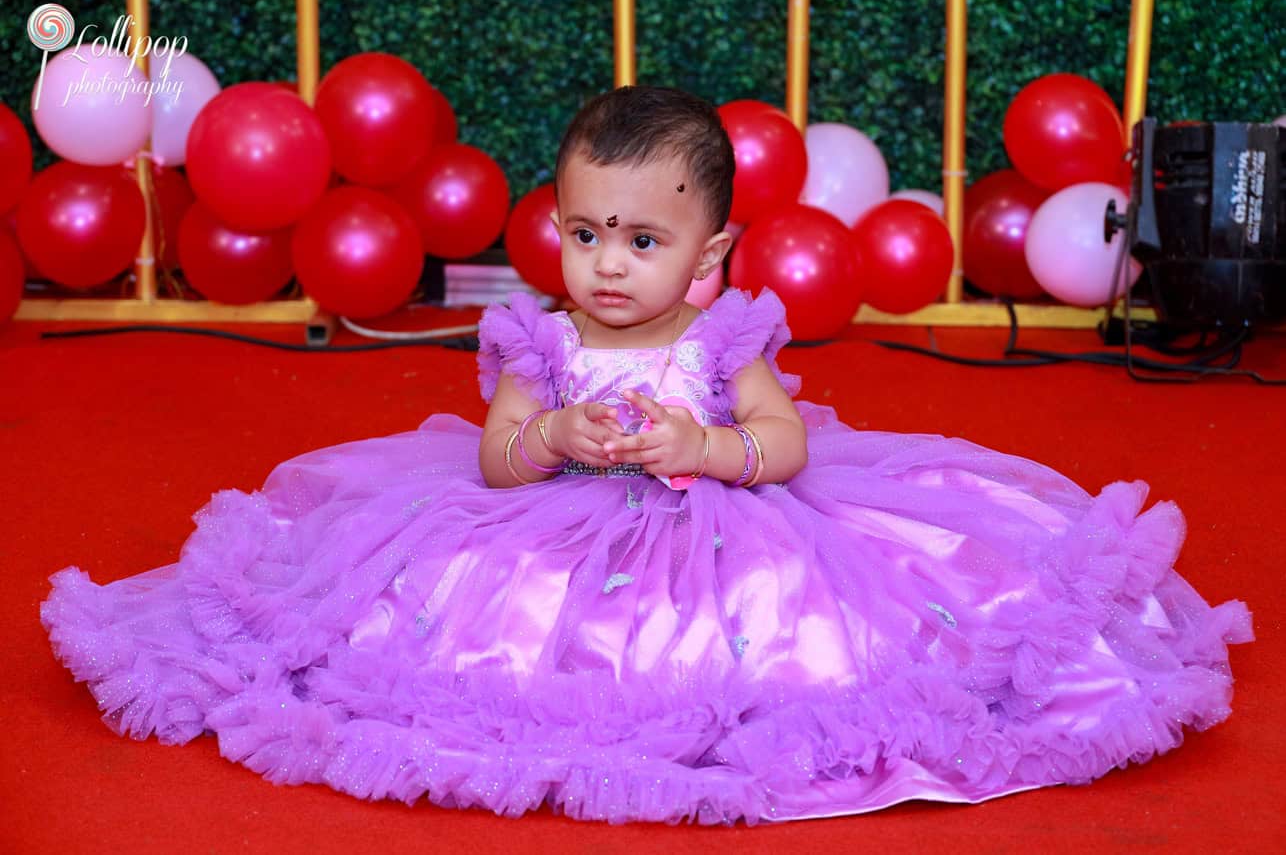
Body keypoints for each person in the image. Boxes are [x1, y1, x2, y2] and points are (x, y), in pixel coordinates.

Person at [41, 85, 1254, 827]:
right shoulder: (544, 336)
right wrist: (553, 432)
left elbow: (782, 446)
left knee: (788, 632)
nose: (605, 264)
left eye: (638, 238)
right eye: (582, 233)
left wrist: (706, 443)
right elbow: (495, 463)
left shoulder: (727, 337)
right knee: (456, 617)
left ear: (709, 253)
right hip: (559, 533)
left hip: (718, 525)